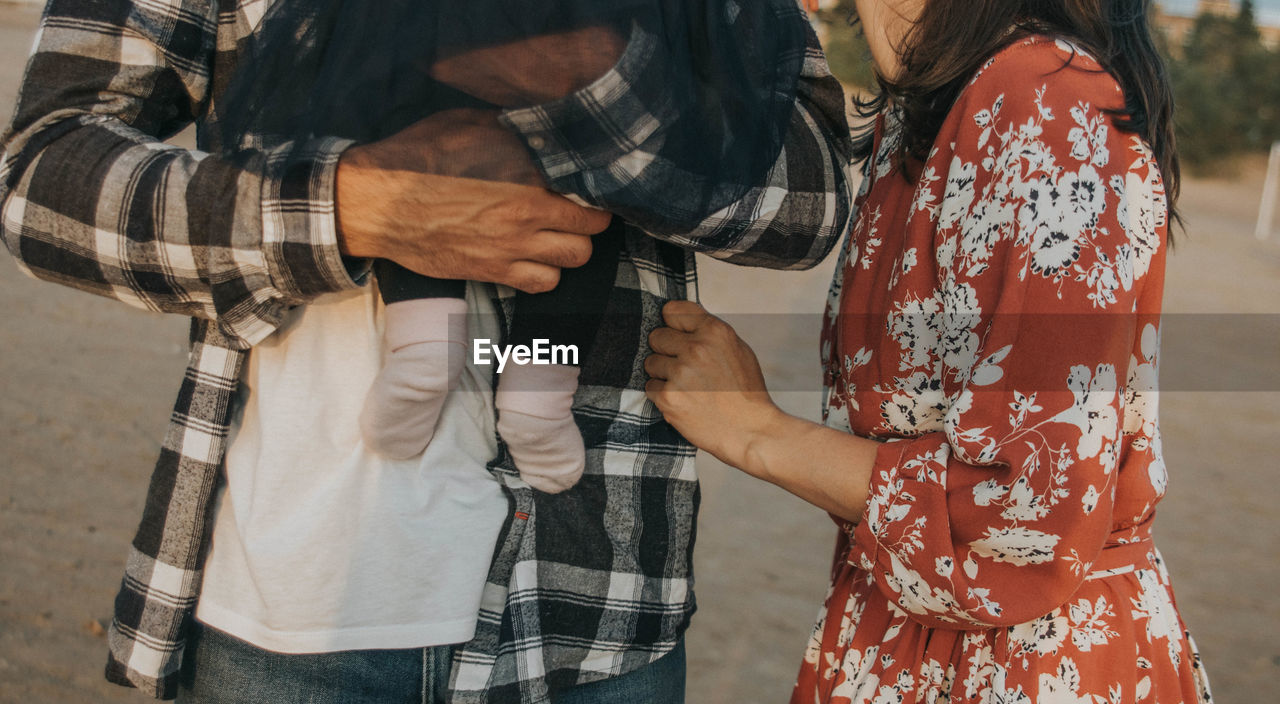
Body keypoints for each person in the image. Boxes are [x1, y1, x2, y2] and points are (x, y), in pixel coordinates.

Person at [0, 1, 852, 703]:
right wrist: (349, 208)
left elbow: (809, 199)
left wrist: (590, 79)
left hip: (594, 610)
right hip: (296, 604)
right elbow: (43, 178)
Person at [644, 1, 1215, 702]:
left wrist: (759, 433)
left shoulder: (1047, 100)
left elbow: (1028, 510)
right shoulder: (939, 100)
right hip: (902, 636)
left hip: (1024, 661)